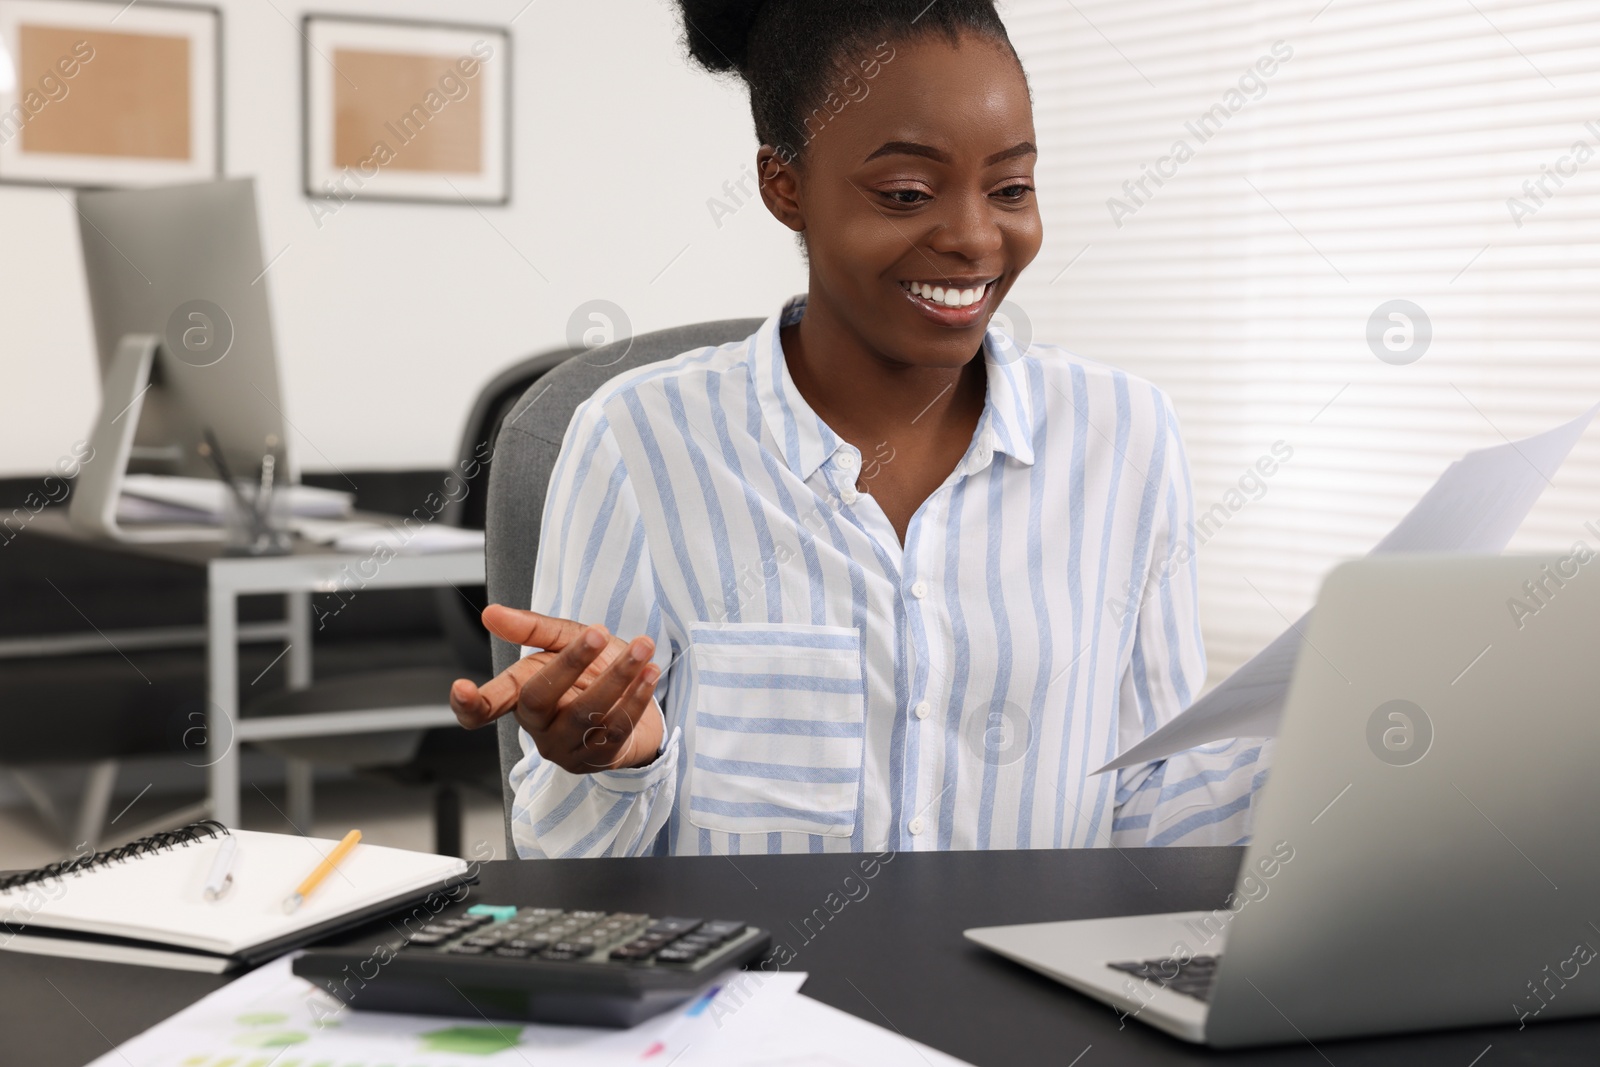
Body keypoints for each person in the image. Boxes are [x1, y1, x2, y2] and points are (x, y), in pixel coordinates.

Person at [450, 0, 1270, 858]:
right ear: (785, 186)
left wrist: (1342, 756)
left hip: (1022, 988)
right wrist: (615, 761)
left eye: (1011, 188)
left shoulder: (1125, 435)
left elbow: (1146, 800)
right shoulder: (636, 441)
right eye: (908, 193)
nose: (974, 237)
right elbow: (561, 866)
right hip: (755, 991)